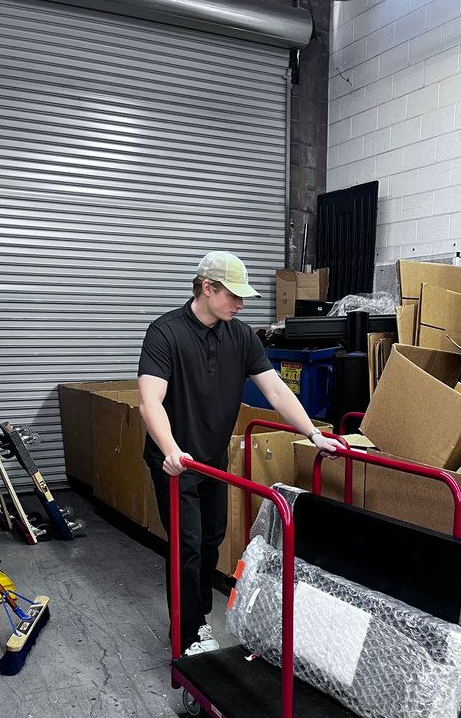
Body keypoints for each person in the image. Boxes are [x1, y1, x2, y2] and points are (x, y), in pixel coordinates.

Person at [138, 250, 340, 654]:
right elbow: (150, 401)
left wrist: (313, 434)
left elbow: (276, 390)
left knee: (212, 539)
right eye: (234, 295)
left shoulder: (242, 336)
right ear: (207, 288)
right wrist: (173, 450)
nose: (242, 303)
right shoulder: (165, 333)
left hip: (213, 460)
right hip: (175, 463)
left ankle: (197, 621)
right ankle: (188, 632)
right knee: (187, 546)